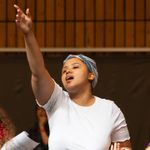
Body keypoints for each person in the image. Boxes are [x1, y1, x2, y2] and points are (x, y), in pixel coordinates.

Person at [14, 4, 132, 149]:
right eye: (64, 70)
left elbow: (126, 148)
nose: (68, 71)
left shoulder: (110, 109)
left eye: (75, 67)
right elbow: (38, 72)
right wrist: (28, 34)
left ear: (91, 75)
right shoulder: (56, 100)